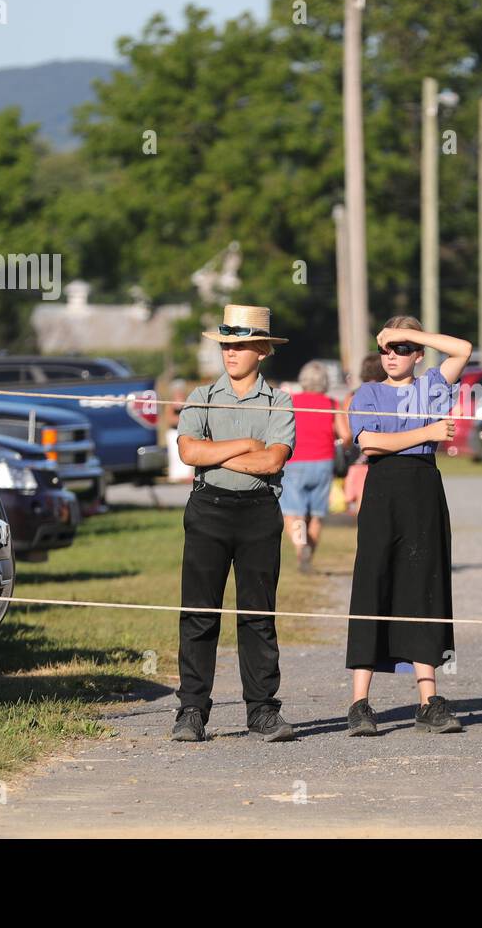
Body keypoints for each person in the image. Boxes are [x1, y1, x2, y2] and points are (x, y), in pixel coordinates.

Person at [172, 304, 297, 743]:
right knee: (199, 613)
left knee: (258, 614)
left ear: (261, 350)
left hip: (259, 513)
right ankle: (191, 709)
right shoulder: (200, 396)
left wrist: (217, 450)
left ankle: (262, 709)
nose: (230, 352)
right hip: (208, 509)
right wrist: (245, 443)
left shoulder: (279, 401)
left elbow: (273, 460)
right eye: (226, 344)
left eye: (240, 344)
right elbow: (189, 453)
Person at [344, 317, 473, 736]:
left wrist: (411, 335)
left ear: (417, 354)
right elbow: (370, 443)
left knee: (423, 586)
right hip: (383, 488)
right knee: (373, 582)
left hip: (423, 488)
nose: (392, 356)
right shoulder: (368, 392)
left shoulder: (431, 386)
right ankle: (360, 702)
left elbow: (463, 349)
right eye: (386, 348)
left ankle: (428, 699)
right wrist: (429, 430)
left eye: (401, 349)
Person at [280, 360, 347, 573]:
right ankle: (308, 554)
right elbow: (345, 435)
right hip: (324, 462)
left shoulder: (291, 401)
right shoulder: (332, 404)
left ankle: (301, 548)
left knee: (294, 513)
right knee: (316, 514)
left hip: (295, 461)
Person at [342, 354, 384, 516]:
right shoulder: (388, 394)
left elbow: (346, 431)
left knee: (361, 499)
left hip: (356, 456)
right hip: (382, 452)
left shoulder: (351, 396)